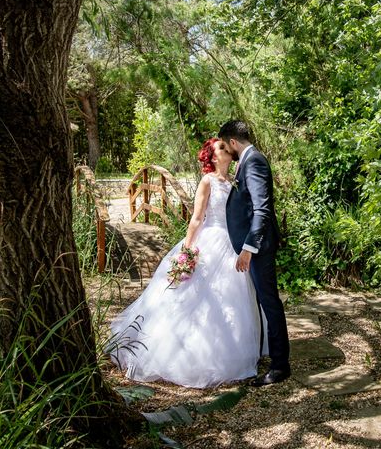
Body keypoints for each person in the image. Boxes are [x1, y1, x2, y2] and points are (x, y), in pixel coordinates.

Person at [108, 138, 266, 388]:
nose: (228, 151)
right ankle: (188, 355)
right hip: (210, 240)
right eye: (222, 149)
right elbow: (196, 218)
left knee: (232, 298)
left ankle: (231, 347)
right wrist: (187, 250)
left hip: (232, 244)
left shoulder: (234, 180)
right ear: (213, 158)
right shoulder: (208, 181)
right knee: (195, 297)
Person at [218, 120, 291, 386]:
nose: (227, 151)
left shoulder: (254, 162)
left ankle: (280, 366)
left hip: (259, 247)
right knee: (263, 302)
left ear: (233, 142)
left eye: (226, 146)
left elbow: (262, 209)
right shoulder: (248, 160)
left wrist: (249, 248)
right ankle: (271, 354)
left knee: (269, 302)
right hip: (255, 246)